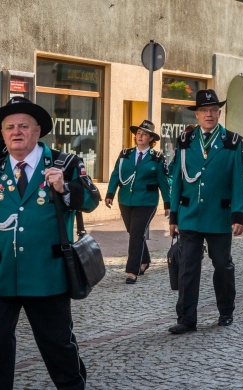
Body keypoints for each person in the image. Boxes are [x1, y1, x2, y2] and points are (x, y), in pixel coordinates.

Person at [0, 97, 100, 390]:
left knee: (58, 345)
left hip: (47, 274)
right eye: (9, 127)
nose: (16, 132)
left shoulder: (64, 162)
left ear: (37, 130)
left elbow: (92, 201)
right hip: (2, 273)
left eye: (23, 126)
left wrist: (65, 188)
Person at [168, 89, 243, 334]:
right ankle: (186, 318)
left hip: (219, 215)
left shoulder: (232, 142)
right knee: (187, 267)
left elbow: (239, 181)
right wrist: (173, 215)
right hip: (190, 214)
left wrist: (238, 215)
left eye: (213, 110)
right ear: (198, 114)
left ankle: (226, 311)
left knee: (222, 265)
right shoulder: (185, 141)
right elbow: (178, 180)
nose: (209, 114)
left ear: (219, 113)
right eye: (204, 110)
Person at [105, 120, 170, 284]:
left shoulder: (157, 158)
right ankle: (145, 260)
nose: (140, 136)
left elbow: (163, 182)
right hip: (126, 199)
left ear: (150, 139)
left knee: (135, 234)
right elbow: (115, 174)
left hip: (147, 202)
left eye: (144, 134)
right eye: (138, 133)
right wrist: (110, 193)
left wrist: (168, 204)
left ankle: (132, 271)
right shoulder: (125, 154)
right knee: (134, 232)